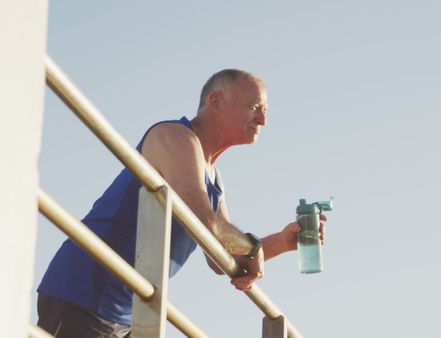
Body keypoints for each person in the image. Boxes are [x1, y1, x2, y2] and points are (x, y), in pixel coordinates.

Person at [36, 69, 327, 337]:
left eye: (265, 111)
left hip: (126, 312)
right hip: (84, 291)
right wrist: (252, 247)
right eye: (255, 108)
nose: (263, 120)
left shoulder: (214, 176)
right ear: (215, 100)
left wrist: (283, 242)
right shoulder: (175, 136)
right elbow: (206, 223)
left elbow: (218, 257)